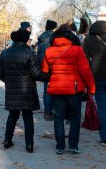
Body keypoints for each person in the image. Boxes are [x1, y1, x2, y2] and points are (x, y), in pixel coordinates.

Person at [41, 24, 95, 154]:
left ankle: (60, 146)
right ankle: (73, 145)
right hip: (74, 89)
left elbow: (44, 70)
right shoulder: (77, 50)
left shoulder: (49, 51)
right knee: (75, 117)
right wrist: (91, 88)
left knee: (58, 118)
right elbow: (85, 71)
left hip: (56, 89)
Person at [0, 28, 49, 153]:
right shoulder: (29, 53)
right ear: (25, 40)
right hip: (27, 90)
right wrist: (49, 76)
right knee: (28, 117)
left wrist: (8, 81)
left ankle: (7, 140)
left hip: (12, 90)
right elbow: (36, 74)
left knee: (12, 116)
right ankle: (29, 144)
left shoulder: (5, 53)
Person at [37, 19, 58, 121]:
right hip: (54, 65)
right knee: (54, 89)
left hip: (44, 66)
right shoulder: (54, 37)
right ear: (54, 27)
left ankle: (47, 111)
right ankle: (51, 111)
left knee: (47, 89)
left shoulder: (41, 38)